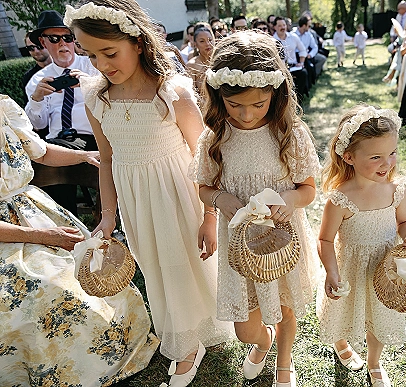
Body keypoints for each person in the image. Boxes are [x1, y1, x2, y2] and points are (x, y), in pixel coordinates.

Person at [65, 1, 233, 386]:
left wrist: (210, 216)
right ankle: (183, 331)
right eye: (90, 54)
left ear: (138, 43)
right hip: (134, 196)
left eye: (110, 52)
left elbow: (203, 158)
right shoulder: (96, 98)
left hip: (178, 191)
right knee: (155, 264)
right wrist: (108, 214)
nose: (102, 64)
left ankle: (189, 344)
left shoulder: (170, 93)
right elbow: (106, 160)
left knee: (186, 261)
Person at [0, 94, 159, 386]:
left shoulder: (3, 106)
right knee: (44, 288)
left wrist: (83, 155)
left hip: (34, 210)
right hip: (12, 235)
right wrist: (42, 236)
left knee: (91, 267)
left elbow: (42, 152)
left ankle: (110, 349)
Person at [191, 30, 320, 387]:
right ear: (219, 97)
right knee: (246, 328)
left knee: (285, 305)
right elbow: (203, 187)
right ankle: (262, 342)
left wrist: (290, 200)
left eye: (258, 104)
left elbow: (309, 190)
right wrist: (219, 200)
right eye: (235, 105)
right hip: (240, 246)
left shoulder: (288, 133)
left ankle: (284, 361)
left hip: (280, 239)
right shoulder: (215, 137)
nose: (247, 115)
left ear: (275, 95)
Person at [316, 104, 406, 387]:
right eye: (376, 156)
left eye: (392, 153)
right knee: (342, 311)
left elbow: (404, 221)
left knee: (381, 315)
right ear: (348, 156)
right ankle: (341, 343)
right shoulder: (340, 198)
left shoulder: (395, 189)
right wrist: (332, 272)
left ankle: (375, 362)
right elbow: (325, 239)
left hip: (384, 270)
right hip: (350, 268)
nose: (387, 163)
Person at [24, 10, 101, 215]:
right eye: (54, 39)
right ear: (43, 42)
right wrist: (37, 99)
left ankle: (83, 223)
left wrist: (90, 86)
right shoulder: (37, 80)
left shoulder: (93, 66)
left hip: (92, 136)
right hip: (57, 140)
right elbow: (37, 125)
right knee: (42, 155)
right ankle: (66, 221)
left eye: (67, 37)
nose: (62, 44)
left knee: (48, 155)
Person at [273, 16, 310, 102]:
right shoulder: (272, 40)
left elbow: (303, 50)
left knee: (303, 73)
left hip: (294, 66)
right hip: (281, 69)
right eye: (279, 26)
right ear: (274, 27)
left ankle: (298, 99)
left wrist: (301, 62)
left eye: (284, 25)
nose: (282, 28)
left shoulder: (293, 37)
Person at [21, 32, 52, 104]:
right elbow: (29, 106)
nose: (36, 51)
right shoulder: (29, 77)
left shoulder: (62, 66)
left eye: (39, 46)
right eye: (31, 48)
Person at [186, 24, 215, 93]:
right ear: (195, 44)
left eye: (210, 40)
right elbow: (191, 93)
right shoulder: (191, 65)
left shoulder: (220, 59)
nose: (207, 44)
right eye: (202, 41)